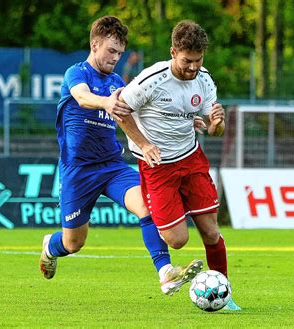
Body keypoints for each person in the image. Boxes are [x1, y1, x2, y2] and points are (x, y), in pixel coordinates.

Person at [38, 16, 202, 295]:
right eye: (111, 51)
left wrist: (186, 120)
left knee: (146, 206)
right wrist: (106, 102)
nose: (115, 58)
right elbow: (81, 97)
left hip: (113, 166)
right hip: (78, 170)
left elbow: (144, 114)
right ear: (94, 45)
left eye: (120, 53)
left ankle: (166, 273)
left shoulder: (117, 81)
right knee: (73, 243)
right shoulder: (76, 74)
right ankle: (49, 248)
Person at [118, 20, 241, 311]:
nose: (193, 68)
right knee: (177, 240)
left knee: (211, 232)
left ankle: (224, 295)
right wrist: (144, 144)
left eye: (198, 61)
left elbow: (214, 129)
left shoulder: (205, 79)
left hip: (191, 159)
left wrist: (216, 124)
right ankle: (168, 235)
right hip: (157, 167)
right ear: (173, 52)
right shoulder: (151, 79)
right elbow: (120, 112)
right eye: (187, 61)